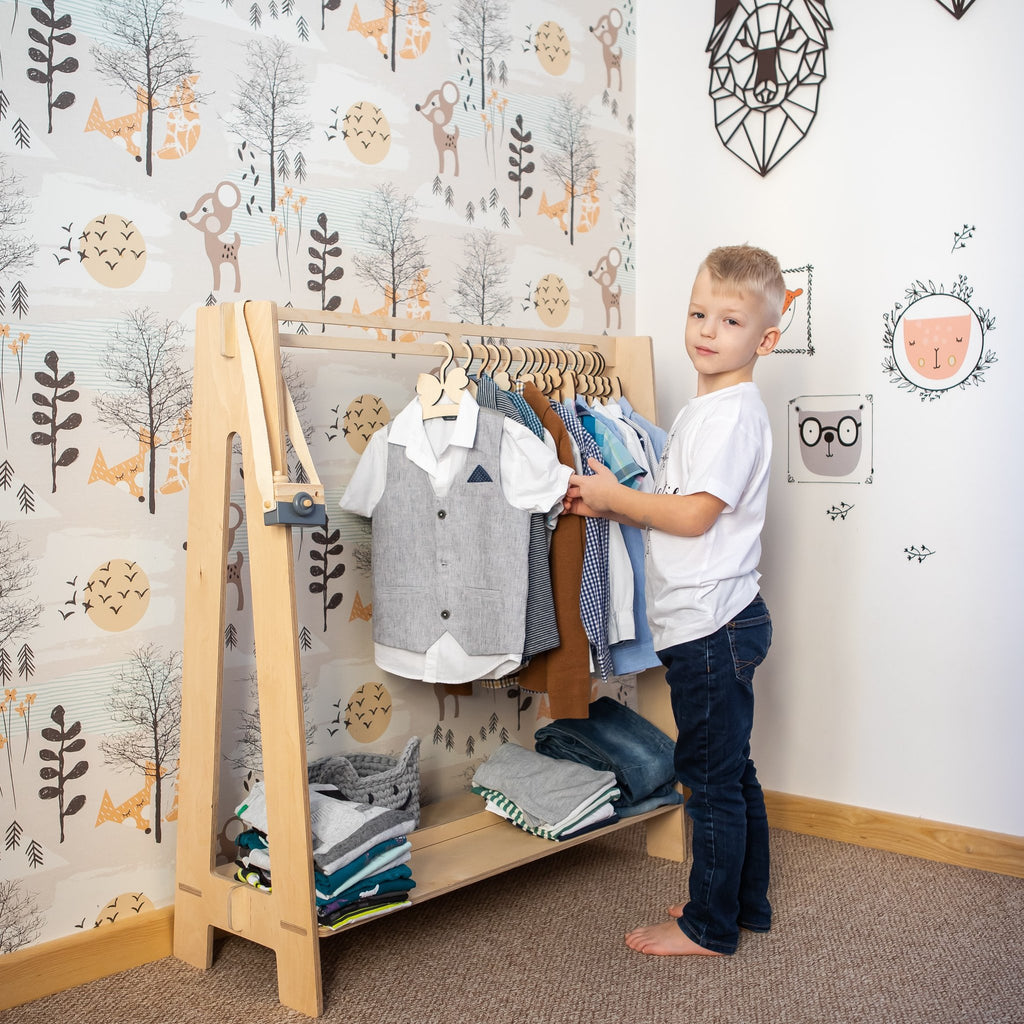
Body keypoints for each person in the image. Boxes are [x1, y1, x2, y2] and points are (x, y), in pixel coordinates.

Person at [564, 244, 783, 956]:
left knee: (710, 780)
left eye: (729, 320)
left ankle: (707, 925)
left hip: (712, 627)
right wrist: (617, 500)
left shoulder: (730, 417)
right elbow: (672, 503)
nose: (707, 330)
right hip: (717, 619)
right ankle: (742, 902)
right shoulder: (710, 409)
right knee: (731, 770)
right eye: (698, 313)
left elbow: (693, 516)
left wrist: (615, 497)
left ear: (765, 339)